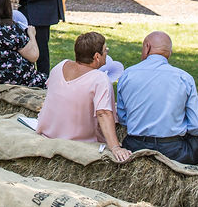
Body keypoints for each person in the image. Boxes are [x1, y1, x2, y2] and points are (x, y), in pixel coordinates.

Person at [117, 31, 198, 172]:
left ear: (147, 47)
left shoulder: (127, 75)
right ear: (169, 52)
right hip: (174, 152)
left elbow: (123, 118)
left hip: (134, 147)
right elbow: (196, 126)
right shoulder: (184, 78)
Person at [36, 32, 130, 162]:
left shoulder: (59, 66)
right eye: (105, 50)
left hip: (48, 132)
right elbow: (103, 113)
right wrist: (115, 147)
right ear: (97, 56)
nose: (106, 53)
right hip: (75, 140)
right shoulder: (100, 79)